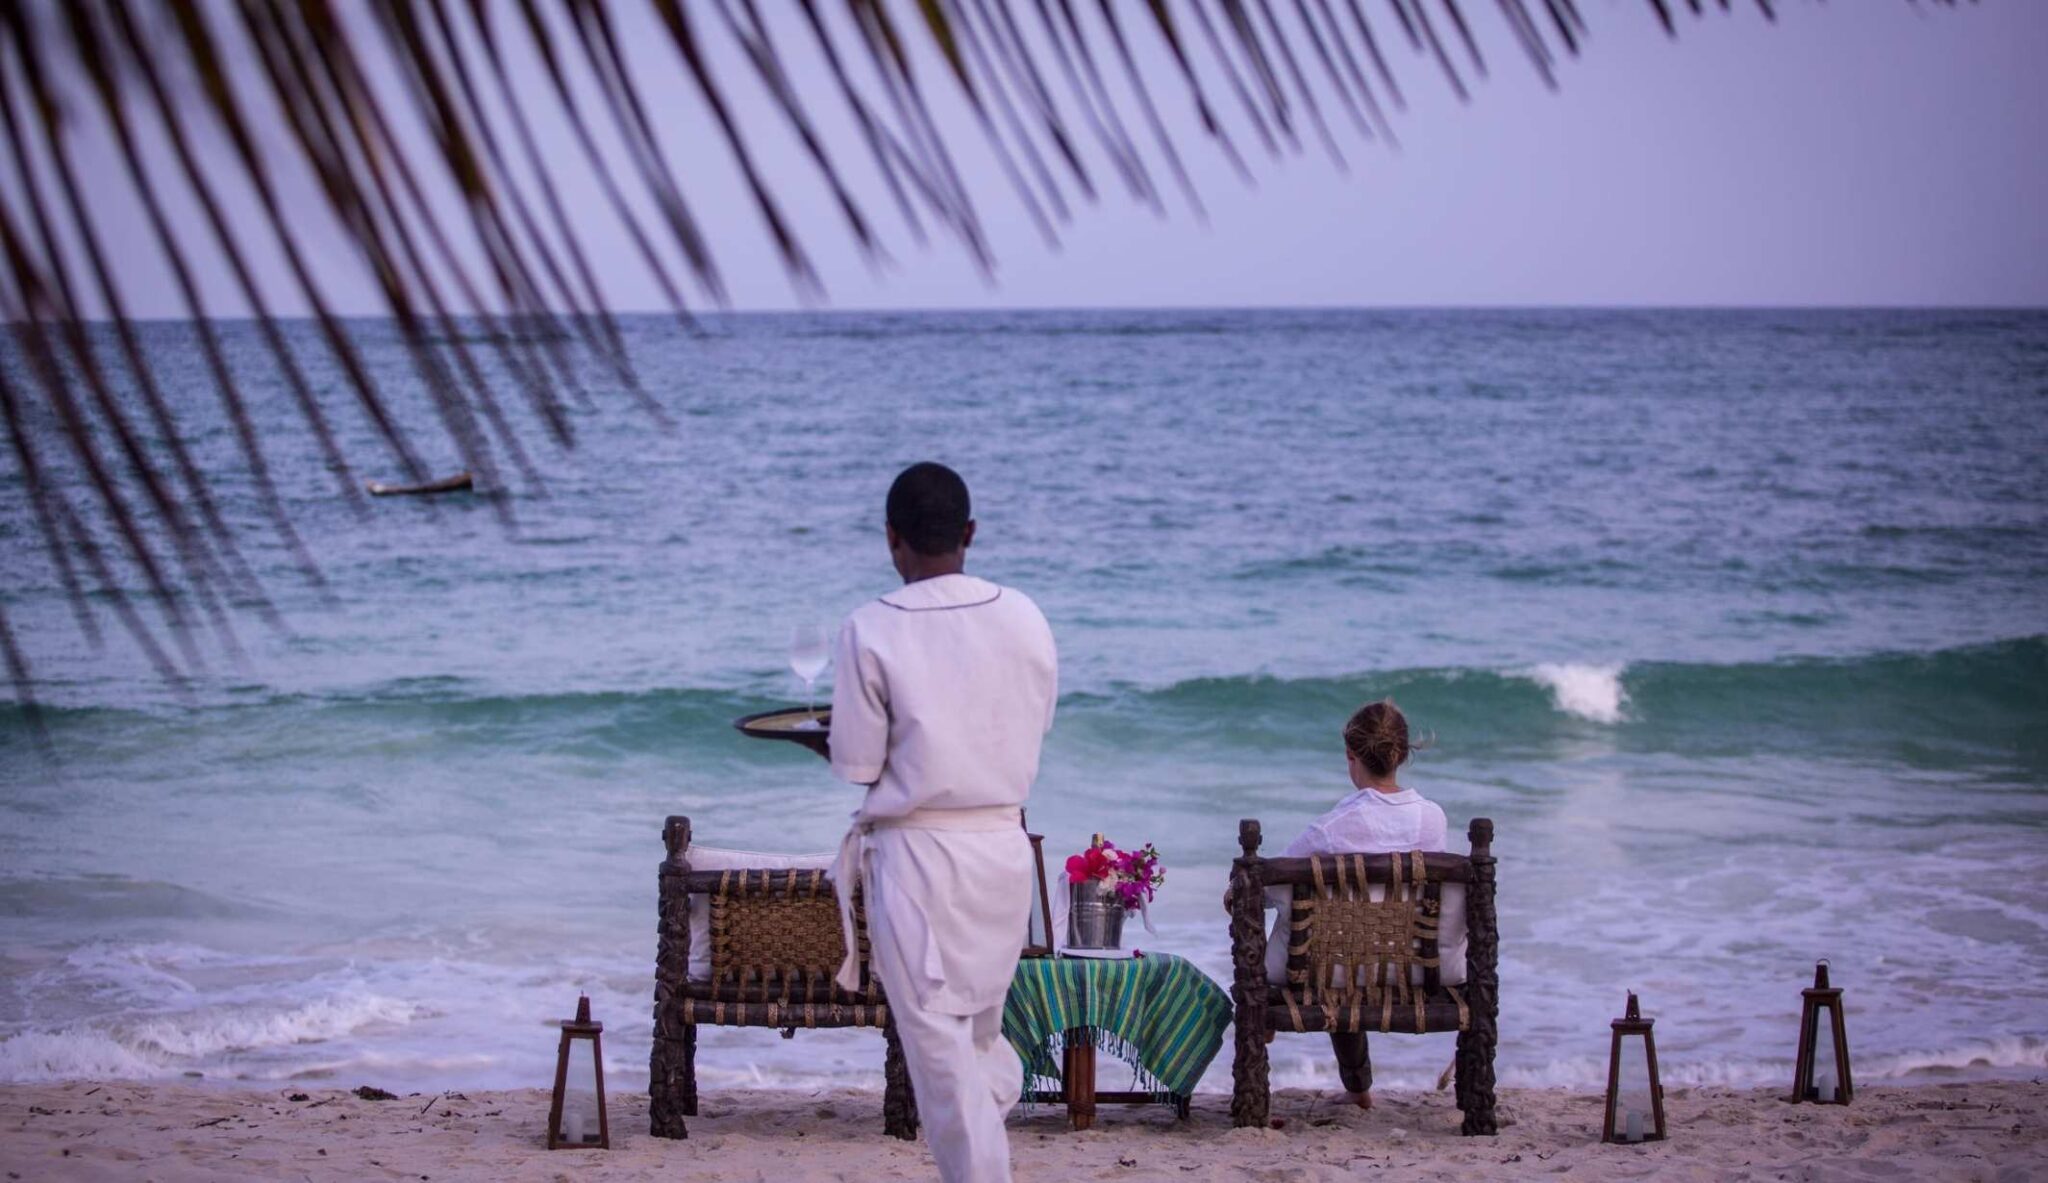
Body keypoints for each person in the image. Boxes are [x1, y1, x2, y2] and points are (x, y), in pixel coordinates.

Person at [827, 462, 1058, 1183]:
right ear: (970, 533)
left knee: (943, 1066)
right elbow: (1033, 724)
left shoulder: (870, 628)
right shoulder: (1025, 615)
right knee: (977, 1038)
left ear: (891, 538)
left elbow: (859, 763)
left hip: (918, 861)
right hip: (1004, 852)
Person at [1259, 698, 1447, 1110]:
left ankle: (1271, 1031)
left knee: (1331, 945)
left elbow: (1268, 887)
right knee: (1346, 943)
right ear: (1403, 753)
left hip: (1334, 970)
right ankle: (1357, 1091)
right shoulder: (1433, 819)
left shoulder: (1331, 829)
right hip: (1414, 965)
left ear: (1351, 755)